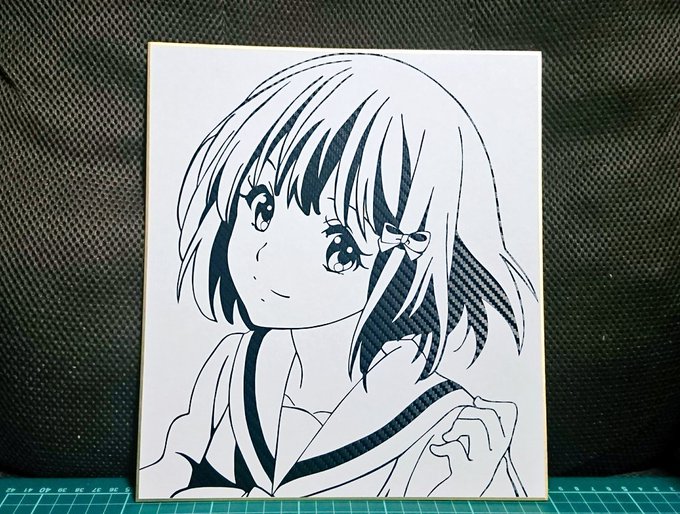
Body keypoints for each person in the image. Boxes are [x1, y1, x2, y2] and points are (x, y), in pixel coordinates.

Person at [140, 53, 535, 499]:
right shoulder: (234, 365)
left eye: (341, 246)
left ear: (406, 262)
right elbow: (175, 463)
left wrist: (469, 483)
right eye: (262, 208)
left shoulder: (448, 430)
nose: (266, 255)